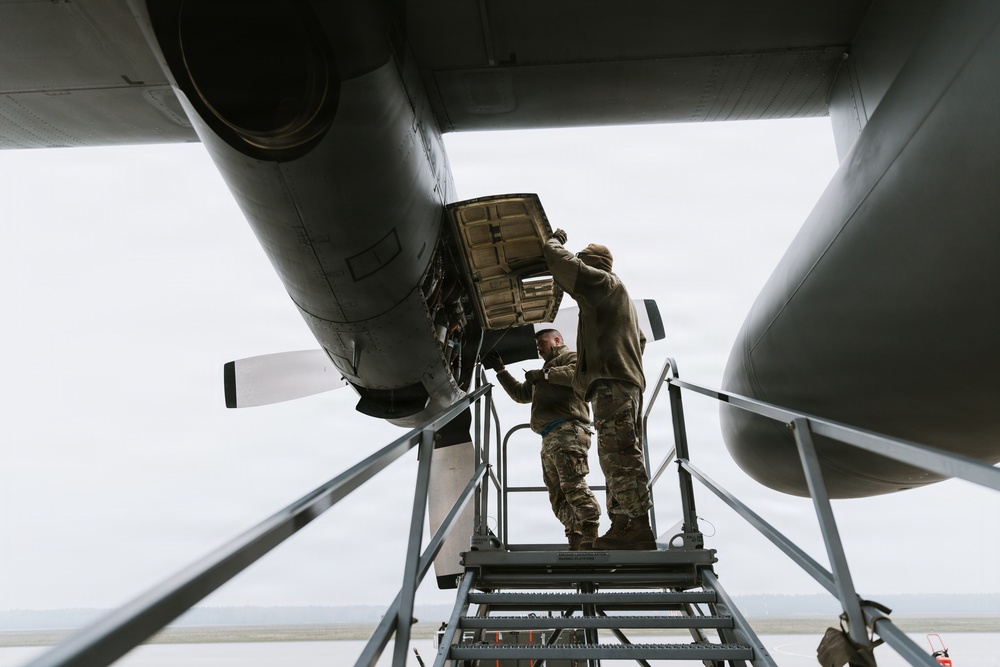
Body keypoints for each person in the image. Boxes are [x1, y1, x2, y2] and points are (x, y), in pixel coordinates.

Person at [541, 228, 654, 550]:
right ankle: (622, 525)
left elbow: (562, 263)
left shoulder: (603, 284)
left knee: (618, 455)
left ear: (593, 266)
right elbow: (641, 341)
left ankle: (636, 526)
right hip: (620, 384)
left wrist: (554, 241)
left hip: (612, 386)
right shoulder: (618, 301)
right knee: (614, 455)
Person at [482, 329, 601, 550]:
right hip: (549, 437)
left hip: (569, 431)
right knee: (557, 494)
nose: (539, 347)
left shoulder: (570, 358)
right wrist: (501, 370)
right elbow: (521, 394)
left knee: (573, 485)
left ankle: (591, 535)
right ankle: (575, 539)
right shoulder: (544, 370)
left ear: (557, 340)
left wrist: (543, 376)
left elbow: (578, 376)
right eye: (537, 344)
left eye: (542, 342)